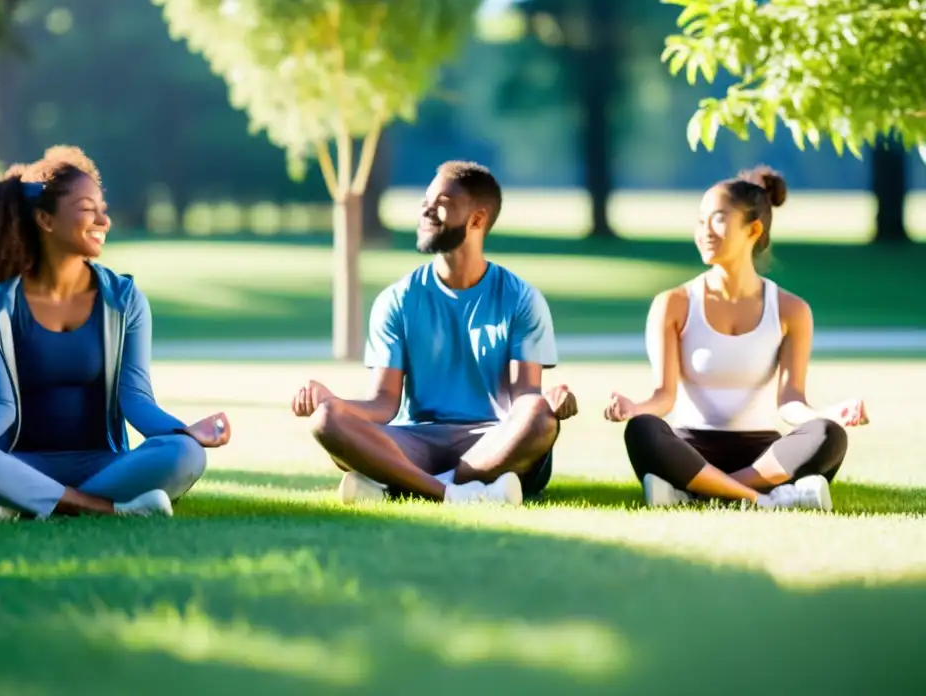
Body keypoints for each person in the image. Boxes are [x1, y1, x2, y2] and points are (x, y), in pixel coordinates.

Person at [0, 146, 231, 525]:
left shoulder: (124, 300)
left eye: (103, 208)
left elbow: (135, 399)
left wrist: (183, 430)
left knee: (186, 454)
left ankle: (24, 501)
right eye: (89, 209)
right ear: (45, 220)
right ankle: (104, 507)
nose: (104, 220)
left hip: (103, 464)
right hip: (20, 461)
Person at [290, 161, 578, 506]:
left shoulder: (521, 299)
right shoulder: (396, 300)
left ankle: (396, 484)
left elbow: (524, 401)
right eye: (426, 200)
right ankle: (455, 493)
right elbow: (383, 404)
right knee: (327, 420)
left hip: (494, 442)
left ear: (477, 219)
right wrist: (332, 402)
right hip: (416, 442)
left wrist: (553, 400)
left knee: (539, 415)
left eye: (442, 202)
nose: (426, 209)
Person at [603, 165, 866, 511]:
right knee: (643, 430)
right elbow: (664, 397)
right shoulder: (673, 304)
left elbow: (790, 401)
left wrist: (829, 414)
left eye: (718, 219)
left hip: (762, 457)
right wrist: (634, 408)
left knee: (828, 436)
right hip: (690, 450)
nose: (704, 231)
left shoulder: (792, 310)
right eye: (700, 221)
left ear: (753, 229)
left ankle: (698, 492)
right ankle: (767, 498)